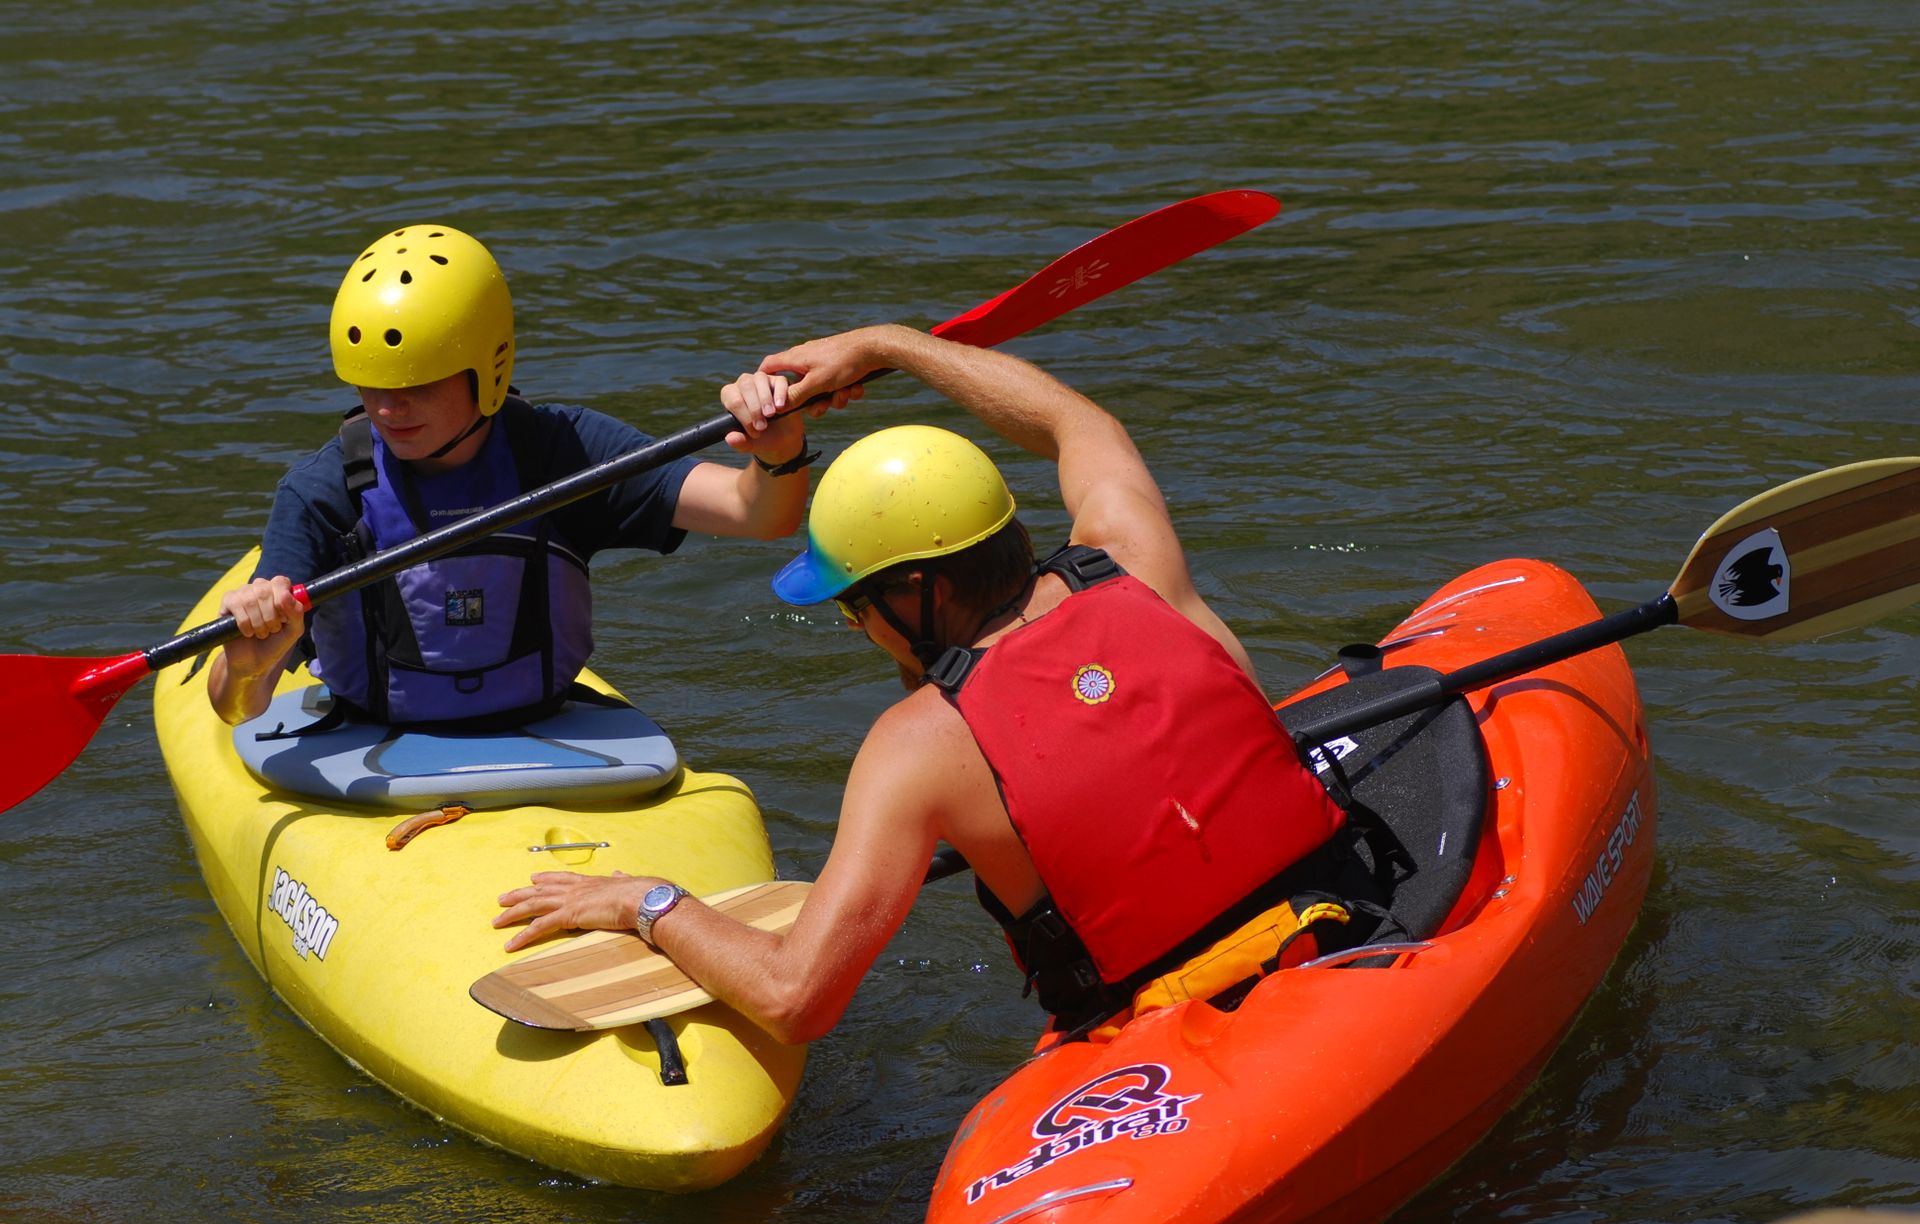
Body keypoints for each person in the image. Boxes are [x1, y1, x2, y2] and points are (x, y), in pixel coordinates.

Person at [493, 324, 1357, 1042]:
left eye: (854, 604)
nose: (854, 627)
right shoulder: (1137, 561)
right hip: (1343, 925)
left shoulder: (920, 743)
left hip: (1165, 1028)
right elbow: (1068, 419)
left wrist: (647, 900)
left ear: (917, 593)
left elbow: (796, 996)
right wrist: (889, 345)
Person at [208, 224, 850, 727]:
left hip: (548, 734)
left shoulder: (562, 451)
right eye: (369, 384)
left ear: (487, 368)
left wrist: (777, 450)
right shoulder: (322, 492)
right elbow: (237, 708)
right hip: (373, 740)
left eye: (417, 385)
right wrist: (250, 661)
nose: (385, 408)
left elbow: (760, 514)